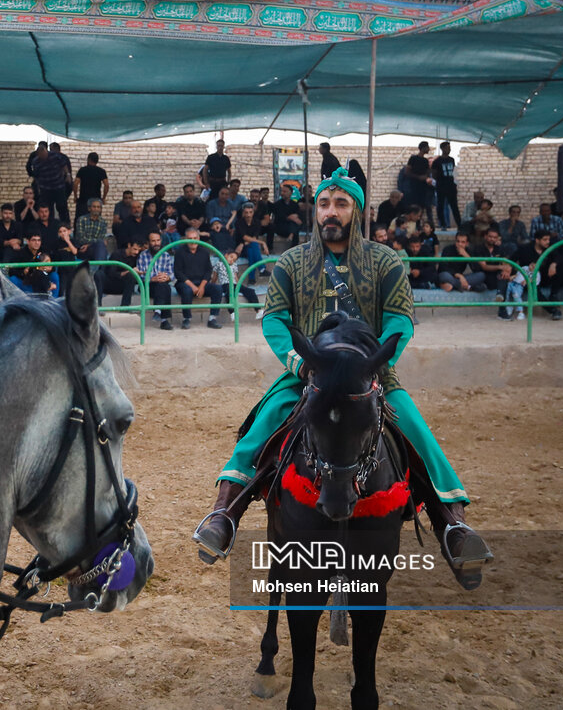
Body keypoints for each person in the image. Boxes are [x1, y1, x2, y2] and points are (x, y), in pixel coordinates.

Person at [192, 168, 491, 590]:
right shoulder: (291, 262)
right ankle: (226, 512)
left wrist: (373, 364)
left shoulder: (386, 260)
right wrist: (299, 363)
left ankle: (453, 526)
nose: (330, 211)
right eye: (324, 204)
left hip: (371, 374)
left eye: (341, 204)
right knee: (265, 423)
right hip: (307, 372)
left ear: (358, 211)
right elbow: (275, 319)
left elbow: (399, 321)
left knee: (415, 429)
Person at [174, 229, 219, 330]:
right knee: (186, 290)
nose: (193, 241)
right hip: (185, 283)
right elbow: (178, 273)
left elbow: (208, 271)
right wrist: (193, 287)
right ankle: (186, 318)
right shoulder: (179, 252)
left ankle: (212, 318)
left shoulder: (204, 251)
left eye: (195, 238)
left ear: (199, 239)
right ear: (186, 239)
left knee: (217, 289)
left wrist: (201, 287)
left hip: (201, 282)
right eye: (190, 239)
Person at [136, 231, 176, 330]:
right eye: (153, 241)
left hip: (161, 285)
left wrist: (167, 277)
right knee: (164, 287)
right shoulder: (142, 255)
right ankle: (164, 320)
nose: (156, 243)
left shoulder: (166, 255)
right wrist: (152, 279)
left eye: (158, 240)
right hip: (147, 286)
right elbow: (140, 276)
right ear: (148, 242)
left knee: (164, 286)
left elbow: (171, 273)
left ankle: (158, 311)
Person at [232, 202, 270, 277]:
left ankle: (252, 278)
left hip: (248, 246)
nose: (248, 215)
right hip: (241, 249)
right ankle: (262, 269)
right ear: (243, 213)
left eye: (250, 212)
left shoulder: (257, 222)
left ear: (253, 212)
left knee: (252, 248)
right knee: (254, 245)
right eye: (246, 212)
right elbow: (245, 237)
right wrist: (263, 243)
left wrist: (247, 242)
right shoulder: (239, 223)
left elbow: (254, 238)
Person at [431, 142, 460, 229]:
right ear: (442, 149)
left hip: (451, 186)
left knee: (454, 206)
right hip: (441, 186)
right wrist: (440, 181)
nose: (449, 150)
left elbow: (453, 171)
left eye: (450, 148)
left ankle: (459, 224)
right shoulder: (437, 161)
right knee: (440, 205)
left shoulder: (451, 159)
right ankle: (443, 224)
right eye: (447, 148)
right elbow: (434, 175)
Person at [269, 183, 304, 252]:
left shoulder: (294, 205)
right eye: (282, 191)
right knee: (294, 227)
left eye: (285, 191)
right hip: (281, 227)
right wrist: (289, 217)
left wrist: (294, 218)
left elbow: (298, 217)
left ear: (290, 193)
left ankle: (293, 245)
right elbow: (279, 217)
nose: (282, 193)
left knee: (295, 225)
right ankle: (291, 234)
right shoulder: (277, 204)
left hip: (291, 226)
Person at [73, 198, 110, 262]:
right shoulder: (82, 220)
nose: (96, 209)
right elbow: (81, 239)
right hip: (83, 250)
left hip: (96, 249)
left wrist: (88, 245)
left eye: (98, 207)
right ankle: (101, 267)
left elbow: (102, 239)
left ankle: (100, 267)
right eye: (94, 207)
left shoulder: (103, 222)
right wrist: (96, 242)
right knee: (100, 244)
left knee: (100, 245)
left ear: (101, 209)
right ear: (89, 208)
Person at [74, 151, 109, 218]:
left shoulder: (82, 170)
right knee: (95, 220)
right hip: (96, 200)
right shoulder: (101, 171)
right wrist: (103, 198)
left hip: (83, 200)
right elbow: (106, 185)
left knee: (80, 219)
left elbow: (75, 184)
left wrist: (75, 197)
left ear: (88, 159)